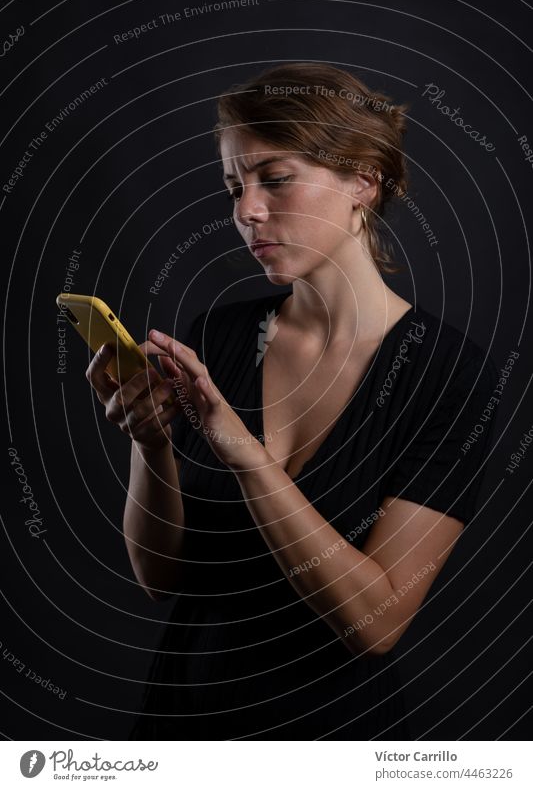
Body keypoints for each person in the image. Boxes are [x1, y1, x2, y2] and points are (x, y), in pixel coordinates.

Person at [86, 62, 498, 740]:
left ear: (363, 180)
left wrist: (243, 454)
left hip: (331, 736)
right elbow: (161, 576)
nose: (246, 210)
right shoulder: (216, 336)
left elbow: (376, 622)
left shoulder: (444, 372)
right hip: (181, 725)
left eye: (274, 179)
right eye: (233, 187)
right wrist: (150, 440)